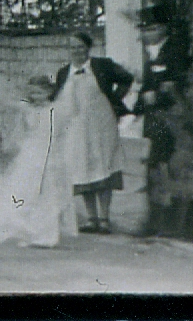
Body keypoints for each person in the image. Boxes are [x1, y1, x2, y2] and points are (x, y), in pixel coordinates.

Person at [0, 74, 77, 250]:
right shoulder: (27, 110)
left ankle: (47, 235)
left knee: (47, 193)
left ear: (48, 91)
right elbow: (19, 129)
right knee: (26, 192)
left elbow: (62, 133)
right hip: (30, 154)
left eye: (39, 93)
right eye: (32, 93)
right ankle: (31, 231)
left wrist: (59, 156)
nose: (36, 96)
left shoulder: (56, 110)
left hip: (49, 154)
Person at [52, 30, 133, 234]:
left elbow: (127, 78)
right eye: (72, 47)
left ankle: (104, 219)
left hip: (102, 124)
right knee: (83, 169)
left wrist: (115, 99)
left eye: (80, 47)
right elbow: (56, 98)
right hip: (77, 128)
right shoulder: (63, 73)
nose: (77, 51)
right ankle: (91, 218)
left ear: (88, 48)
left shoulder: (102, 65)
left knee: (103, 166)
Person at [133, 4, 193, 238]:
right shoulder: (152, 53)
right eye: (144, 29)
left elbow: (177, 85)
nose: (146, 34)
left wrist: (156, 95)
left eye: (152, 28)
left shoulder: (175, 51)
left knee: (171, 170)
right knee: (155, 169)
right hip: (155, 122)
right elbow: (148, 86)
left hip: (172, 120)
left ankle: (173, 224)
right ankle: (155, 222)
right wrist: (137, 106)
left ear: (164, 29)